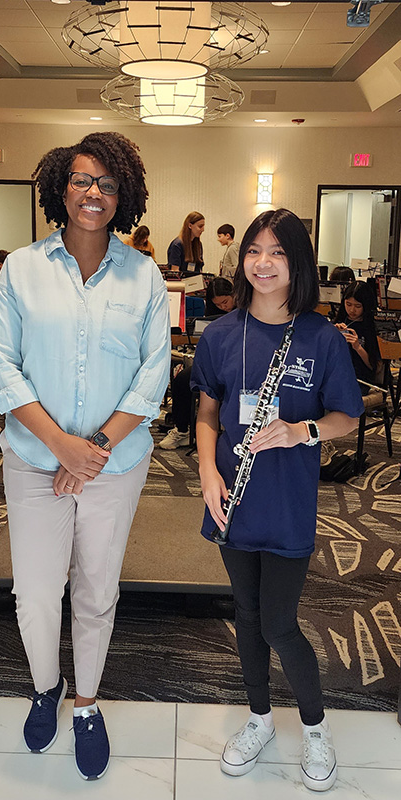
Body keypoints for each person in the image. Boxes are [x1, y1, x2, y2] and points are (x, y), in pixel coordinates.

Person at [0, 131, 170, 781]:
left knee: (95, 590)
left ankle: (87, 704)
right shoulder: (22, 269)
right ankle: (46, 687)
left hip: (114, 466)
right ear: (60, 188)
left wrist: (91, 448)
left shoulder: (144, 275)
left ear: (125, 197)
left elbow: (153, 377)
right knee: (36, 594)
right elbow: (4, 371)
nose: (94, 193)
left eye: (108, 184)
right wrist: (61, 444)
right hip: (36, 459)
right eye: (82, 180)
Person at [191, 208, 364, 792]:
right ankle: (260, 719)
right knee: (245, 616)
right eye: (254, 251)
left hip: (288, 500)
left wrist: (301, 430)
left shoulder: (320, 337)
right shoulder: (219, 334)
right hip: (232, 497)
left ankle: (316, 729)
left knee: (279, 623)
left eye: (278, 253)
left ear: (297, 263)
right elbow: (209, 409)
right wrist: (206, 470)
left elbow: (346, 415)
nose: (263, 263)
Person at [159, 278, 234, 450]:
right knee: (181, 380)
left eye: (225, 302)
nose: (223, 307)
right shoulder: (212, 317)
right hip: (213, 361)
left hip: (234, 363)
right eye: (218, 304)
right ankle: (183, 429)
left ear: (234, 294)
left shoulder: (245, 312)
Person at [334, 280, 380, 396]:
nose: (352, 310)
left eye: (358, 306)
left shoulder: (372, 327)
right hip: (337, 375)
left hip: (360, 379)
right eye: (348, 304)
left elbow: (374, 367)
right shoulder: (341, 322)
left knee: (340, 395)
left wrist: (358, 347)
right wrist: (332, 334)